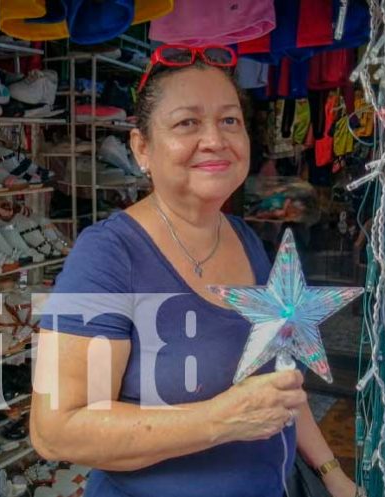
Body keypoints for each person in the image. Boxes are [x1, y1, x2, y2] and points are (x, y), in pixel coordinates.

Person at [31, 45, 359, 497]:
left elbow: (279, 385)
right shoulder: (107, 255)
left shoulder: (248, 241)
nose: (215, 139)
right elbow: (55, 430)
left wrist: (331, 474)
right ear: (141, 147)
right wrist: (219, 420)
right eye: (188, 122)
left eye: (230, 121)